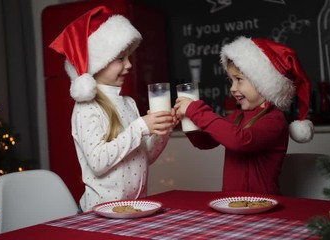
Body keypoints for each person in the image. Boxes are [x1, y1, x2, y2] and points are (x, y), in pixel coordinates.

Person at [49, 6, 176, 211]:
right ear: (98, 63)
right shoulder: (87, 108)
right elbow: (98, 162)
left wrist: (163, 130)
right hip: (100, 213)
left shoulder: (128, 103)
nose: (129, 65)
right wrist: (140, 126)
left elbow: (145, 157)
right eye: (120, 59)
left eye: (128, 58)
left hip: (133, 209)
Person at [174, 36, 314, 195]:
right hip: (232, 202)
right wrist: (188, 122)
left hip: (263, 204)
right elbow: (205, 142)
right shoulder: (238, 117)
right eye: (231, 81)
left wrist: (195, 110)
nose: (232, 89)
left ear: (262, 83)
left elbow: (238, 141)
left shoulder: (274, 120)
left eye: (239, 80)